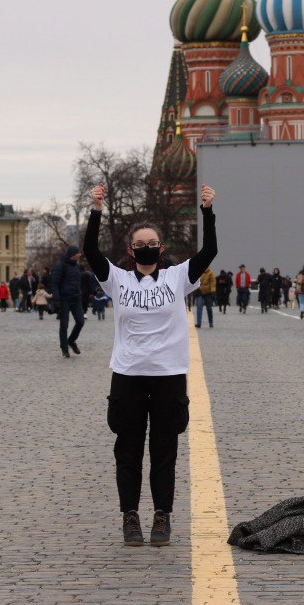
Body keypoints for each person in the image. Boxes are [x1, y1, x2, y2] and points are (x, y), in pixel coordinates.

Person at [83, 181, 217, 547]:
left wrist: (207, 211)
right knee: (127, 450)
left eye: (151, 242)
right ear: (130, 251)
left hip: (168, 376)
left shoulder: (178, 278)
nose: (146, 247)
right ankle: (130, 516)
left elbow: (210, 251)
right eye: (139, 244)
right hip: (127, 375)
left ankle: (162, 516)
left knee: (164, 450)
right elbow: (90, 250)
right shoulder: (117, 280)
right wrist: (96, 210)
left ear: (161, 248)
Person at [50, 244, 88, 358]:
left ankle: (71, 341)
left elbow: (77, 282)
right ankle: (64, 348)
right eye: (78, 253)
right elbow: (54, 283)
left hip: (76, 299)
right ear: (73, 255)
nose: (80, 255)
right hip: (64, 299)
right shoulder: (60, 266)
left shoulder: (76, 266)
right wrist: (56, 299)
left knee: (80, 321)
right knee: (64, 325)